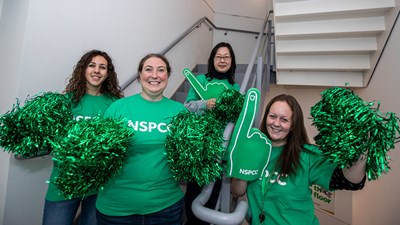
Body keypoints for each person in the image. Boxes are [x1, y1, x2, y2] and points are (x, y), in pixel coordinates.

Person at [230, 94, 367, 225]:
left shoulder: (307, 155)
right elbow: (238, 191)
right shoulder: (254, 148)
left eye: (284, 119)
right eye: (272, 116)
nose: (276, 123)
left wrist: (360, 156)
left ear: (293, 125)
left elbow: (349, 181)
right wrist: (244, 163)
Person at [95, 53, 186, 225]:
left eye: (161, 70)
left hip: (166, 207)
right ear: (139, 75)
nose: (154, 75)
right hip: (116, 209)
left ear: (167, 75)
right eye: (148, 69)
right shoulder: (118, 107)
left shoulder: (179, 112)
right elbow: (100, 155)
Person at [43, 49, 124, 225]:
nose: (97, 70)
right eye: (92, 65)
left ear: (107, 73)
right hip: (63, 184)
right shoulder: (66, 101)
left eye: (102, 67)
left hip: (99, 186)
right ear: (83, 69)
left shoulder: (116, 104)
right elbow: (53, 138)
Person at [184, 42, 240, 225]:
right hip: (200, 146)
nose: (222, 60)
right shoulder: (200, 80)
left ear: (232, 61)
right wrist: (204, 104)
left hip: (221, 147)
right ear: (212, 59)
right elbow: (186, 107)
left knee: (214, 191)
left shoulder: (235, 87)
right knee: (194, 190)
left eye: (226, 57)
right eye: (218, 56)